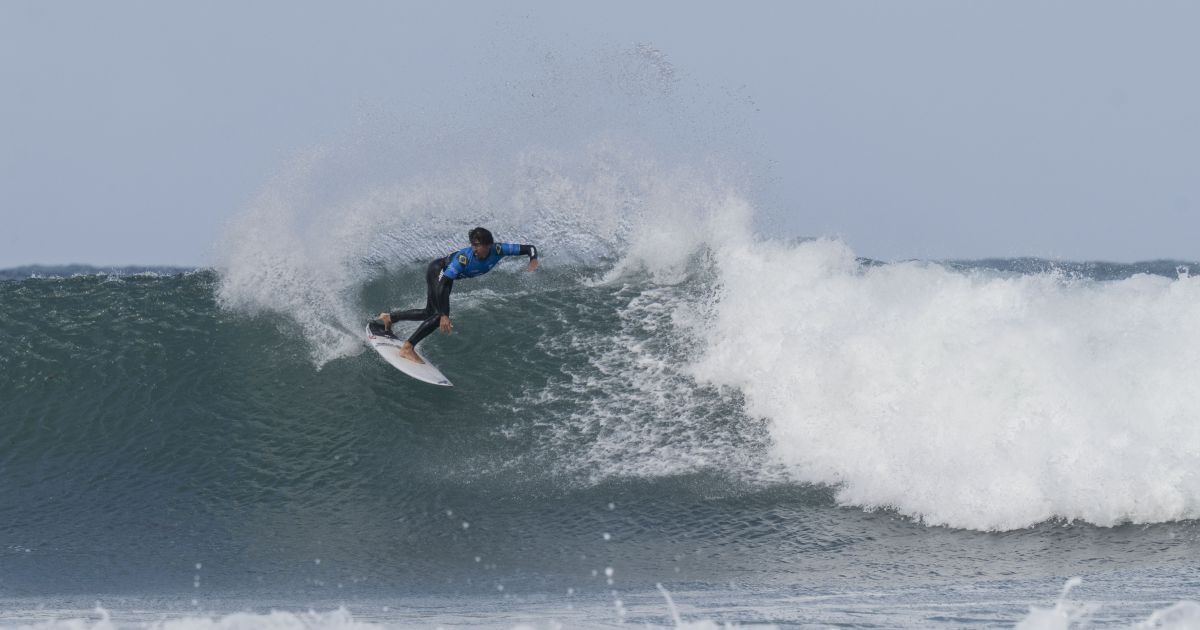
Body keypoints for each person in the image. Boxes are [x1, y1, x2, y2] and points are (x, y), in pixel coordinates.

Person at [370, 227, 539, 364]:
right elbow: (443, 283)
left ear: (488, 245)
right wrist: (444, 315)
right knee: (438, 316)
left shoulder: (499, 249)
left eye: (478, 245)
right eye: (473, 244)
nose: (474, 248)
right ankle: (408, 347)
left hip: (445, 278)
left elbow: (529, 248)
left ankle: (390, 318)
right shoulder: (464, 259)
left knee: (429, 312)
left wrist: (533, 259)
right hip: (438, 272)